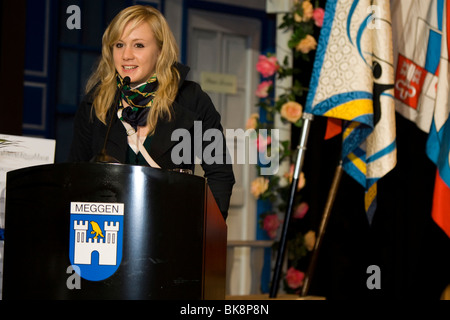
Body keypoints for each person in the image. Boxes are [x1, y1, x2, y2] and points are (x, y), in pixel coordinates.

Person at [68, 5, 235, 219]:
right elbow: (75, 174)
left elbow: (219, 173)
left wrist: (207, 228)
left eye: (138, 45)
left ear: (160, 51)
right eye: (119, 45)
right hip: (106, 231)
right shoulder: (96, 101)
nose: (126, 55)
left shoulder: (191, 99)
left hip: (170, 229)